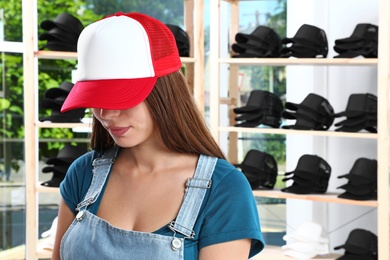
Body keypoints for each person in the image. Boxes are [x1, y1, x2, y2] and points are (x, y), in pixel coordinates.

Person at [52, 12, 264, 260]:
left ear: (163, 91)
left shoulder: (225, 189)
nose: (106, 113)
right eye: (95, 98)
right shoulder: (83, 174)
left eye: (120, 96)